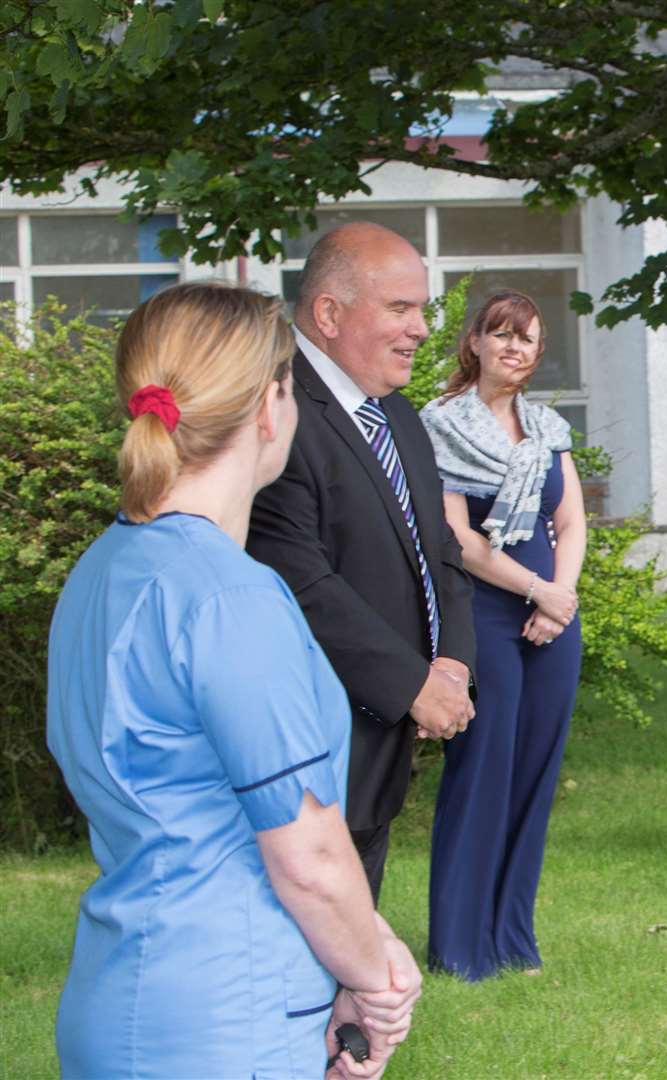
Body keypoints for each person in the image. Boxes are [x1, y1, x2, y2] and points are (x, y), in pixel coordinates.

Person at [47, 282, 422, 1079]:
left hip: (123, 998)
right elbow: (308, 857)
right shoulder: (230, 595)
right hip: (226, 1015)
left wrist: (366, 950)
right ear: (268, 407)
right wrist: (376, 978)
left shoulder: (104, 568)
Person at [248, 222, 477, 901]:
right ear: (328, 313)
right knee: (302, 971)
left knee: (347, 967)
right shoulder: (274, 409)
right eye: (400, 308)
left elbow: (442, 553)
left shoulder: (398, 415)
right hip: (309, 750)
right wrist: (412, 684)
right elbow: (299, 579)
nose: (419, 329)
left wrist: (453, 667)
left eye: (423, 310)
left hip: (379, 747)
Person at [419, 289, 585, 979]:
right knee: (482, 769)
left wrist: (561, 600)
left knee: (533, 775)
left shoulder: (547, 428)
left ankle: (513, 937)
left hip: (550, 625)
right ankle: (459, 945)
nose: (514, 347)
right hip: (485, 615)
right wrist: (538, 589)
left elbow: (572, 522)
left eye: (527, 339)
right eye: (502, 334)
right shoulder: (441, 423)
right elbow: (458, 538)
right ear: (476, 343)